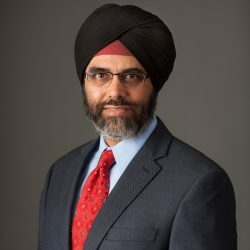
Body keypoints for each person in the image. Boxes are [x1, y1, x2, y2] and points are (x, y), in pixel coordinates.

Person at [38, 4, 237, 250]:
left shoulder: (199, 182)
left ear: (153, 83)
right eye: (100, 75)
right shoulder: (60, 173)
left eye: (131, 76)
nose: (115, 92)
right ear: (84, 82)